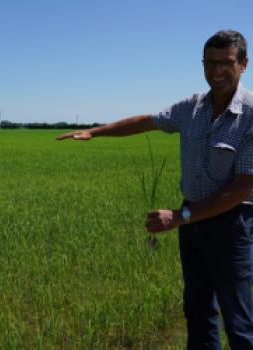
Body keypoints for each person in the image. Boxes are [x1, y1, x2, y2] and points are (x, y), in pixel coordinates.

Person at [56, 30, 253, 349]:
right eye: (209, 63)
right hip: (192, 224)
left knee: (238, 319)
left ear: (243, 64)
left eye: (226, 63)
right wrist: (95, 132)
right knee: (198, 310)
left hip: (232, 225)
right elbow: (146, 122)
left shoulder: (251, 116)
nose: (216, 72)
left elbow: (242, 188)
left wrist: (180, 215)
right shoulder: (192, 107)